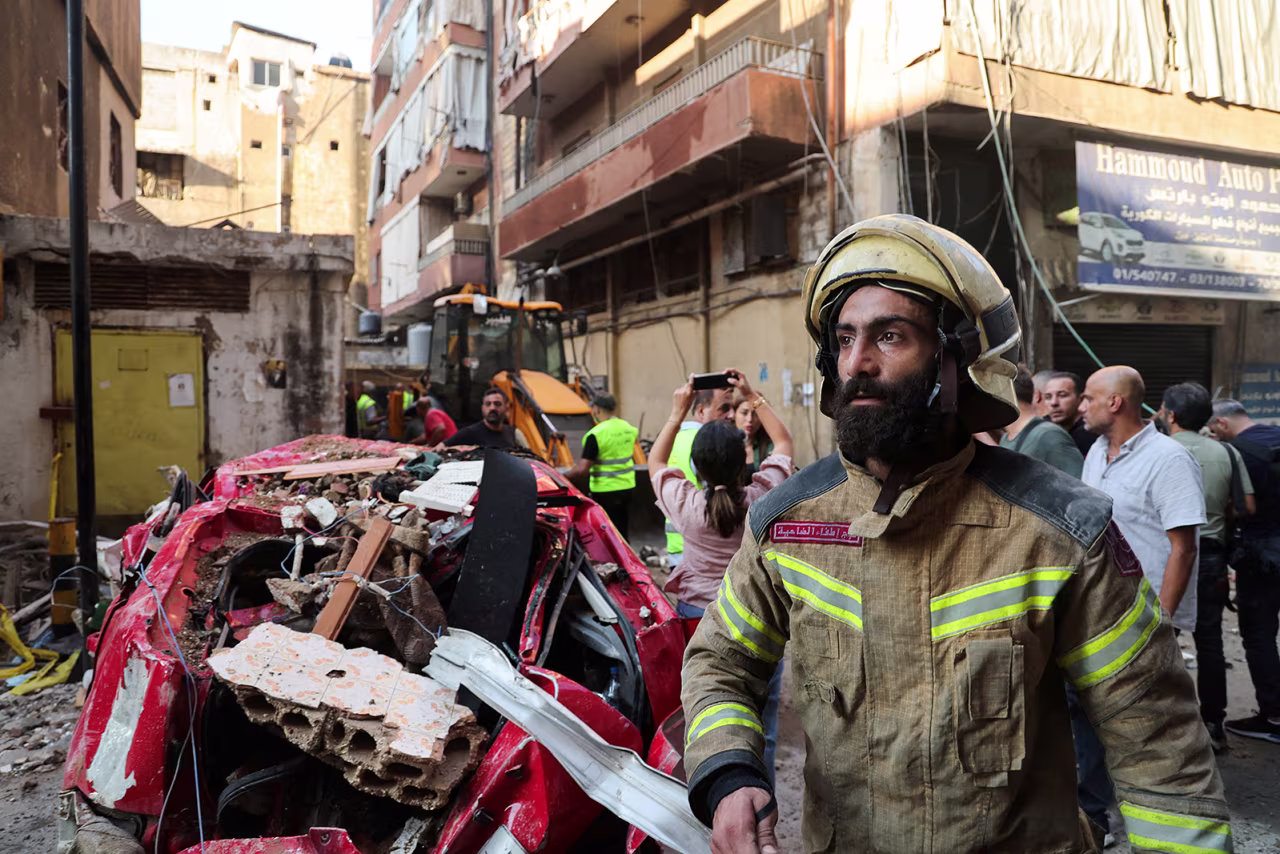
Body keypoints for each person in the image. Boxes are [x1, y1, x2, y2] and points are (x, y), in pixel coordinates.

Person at [681, 215, 1230, 853]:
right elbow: (722, 661)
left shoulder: (1061, 532)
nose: (857, 362)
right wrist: (727, 773)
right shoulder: (786, 524)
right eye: (845, 337)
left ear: (958, 360)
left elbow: (1158, 744)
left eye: (891, 336)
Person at [652, 372, 793, 780]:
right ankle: (758, 796)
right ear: (744, 460)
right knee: (761, 721)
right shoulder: (763, 498)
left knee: (703, 707)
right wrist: (754, 398)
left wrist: (678, 412)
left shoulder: (687, 507)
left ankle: (706, 787)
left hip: (696, 616)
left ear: (695, 465)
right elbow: (783, 445)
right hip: (755, 619)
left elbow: (657, 461)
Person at [1160, 384, 1254, 752]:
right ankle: (1214, 723)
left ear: (1170, 415)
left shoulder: (1160, 452)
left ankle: (1168, 726)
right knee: (1210, 642)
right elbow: (1246, 505)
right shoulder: (1225, 451)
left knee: (1163, 641)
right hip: (1212, 556)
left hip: (1168, 554)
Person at [1079, 367, 1205, 629]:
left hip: (1147, 611)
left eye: (1089, 399)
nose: (1082, 407)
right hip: (1104, 603)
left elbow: (1184, 550)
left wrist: (1160, 622)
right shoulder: (1096, 450)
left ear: (1114, 402)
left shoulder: (1169, 459)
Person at [1209, 398, 1280, 744]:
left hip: (1262, 555)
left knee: (1259, 634)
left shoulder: (1236, 452)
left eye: (1213, 430)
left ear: (1222, 423)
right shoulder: (1275, 435)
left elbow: (1240, 506)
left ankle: (1273, 716)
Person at [664, 382, 737, 570]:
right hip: (706, 552)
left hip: (678, 550)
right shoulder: (708, 446)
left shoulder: (674, 438)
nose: (732, 415)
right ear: (701, 410)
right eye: (724, 408)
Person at [565, 394, 639, 538]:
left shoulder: (596, 434)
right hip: (628, 487)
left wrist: (562, 476)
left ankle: (613, 559)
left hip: (606, 491)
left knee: (608, 533)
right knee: (622, 531)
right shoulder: (629, 429)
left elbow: (582, 469)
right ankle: (625, 558)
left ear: (597, 410)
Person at [999, 365, 1083, 478]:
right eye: (1048, 396)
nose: (1054, 403)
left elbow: (1082, 489)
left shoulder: (1048, 435)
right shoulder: (1006, 438)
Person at [442, 387, 518, 449]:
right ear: (482, 408)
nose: (492, 408)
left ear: (506, 408)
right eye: (488, 404)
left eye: (497, 404)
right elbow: (440, 448)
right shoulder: (470, 433)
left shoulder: (512, 433)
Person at [1044, 371, 1098, 457]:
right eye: (1048, 397)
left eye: (1062, 395)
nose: (1054, 403)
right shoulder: (1042, 430)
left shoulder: (1092, 433)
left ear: (1081, 399)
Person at [734, 391, 775, 476]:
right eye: (744, 413)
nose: (750, 419)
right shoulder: (725, 444)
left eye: (755, 414)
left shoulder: (770, 446)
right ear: (734, 414)